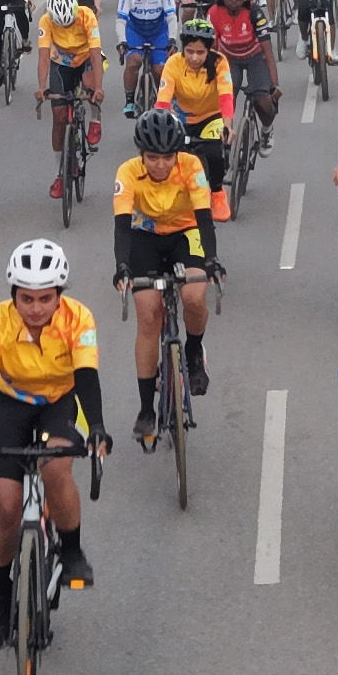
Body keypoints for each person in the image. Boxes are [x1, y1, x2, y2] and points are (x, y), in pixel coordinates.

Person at [0, 238, 110, 647]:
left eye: (45, 298)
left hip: (61, 401)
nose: (36, 308)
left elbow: (87, 378)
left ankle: (71, 549)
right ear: (13, 295)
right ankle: (0, 592)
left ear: (59, 294)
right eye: (26, 298)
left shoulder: (79, 318)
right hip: (7, 404)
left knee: (56, 469)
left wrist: (97, 427)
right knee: (6, 507)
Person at [114, 110, 221, 434]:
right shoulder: (127, 172)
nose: (160, 165)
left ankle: (193, 352)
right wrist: (122, 267)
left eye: (167, 158)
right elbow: (122, 228)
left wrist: (212, 260)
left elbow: (204, 219)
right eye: (152, 158)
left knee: (194, 295)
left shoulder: (192, 166)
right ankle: (147, 408)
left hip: (185, 233)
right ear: (141, 154)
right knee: (148, 315)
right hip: (144, 236)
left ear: (178, 153)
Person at [152, 19, 237, 223]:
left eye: (200, 52)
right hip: (182, 116)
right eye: (189, 51)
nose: (194, 57)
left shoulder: (219, 62)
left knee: (213, 152)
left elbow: (226, 96)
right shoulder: (173, 63)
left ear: (209, 50)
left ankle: (217, 193)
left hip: (211, 116)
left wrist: (227, 125)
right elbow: (162, 100)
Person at [38, 0, 107, 199]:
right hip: (61, 62)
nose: (66, 27)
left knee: (90, 87)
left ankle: (95, 118)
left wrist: (98, 88)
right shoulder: (46, 21)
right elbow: (43, 58)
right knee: (58, 117)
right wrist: (41, 88)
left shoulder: (87, 16)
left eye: (68, 23)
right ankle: (59, 174)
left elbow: (95, 55)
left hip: (86, 57)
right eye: (62, 25)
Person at [207, 0, 279, 161]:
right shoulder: (214, 13)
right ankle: (225, 137)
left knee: (263, 100)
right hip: (229, 59)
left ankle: (266, 130)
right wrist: (210, 76)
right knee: (226, 98)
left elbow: (268, 51)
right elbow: (212, 49)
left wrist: (274, 84)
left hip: (255, 57)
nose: (234, 0)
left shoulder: (255, 13)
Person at [117, 0, 180, 119]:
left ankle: (163, 100)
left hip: (158, 33)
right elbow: (121, 20)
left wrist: (172, 39)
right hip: (136, 32)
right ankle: (129, 100)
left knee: (159, 70)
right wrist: (122, 41)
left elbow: (171, 18)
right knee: (133, 62)